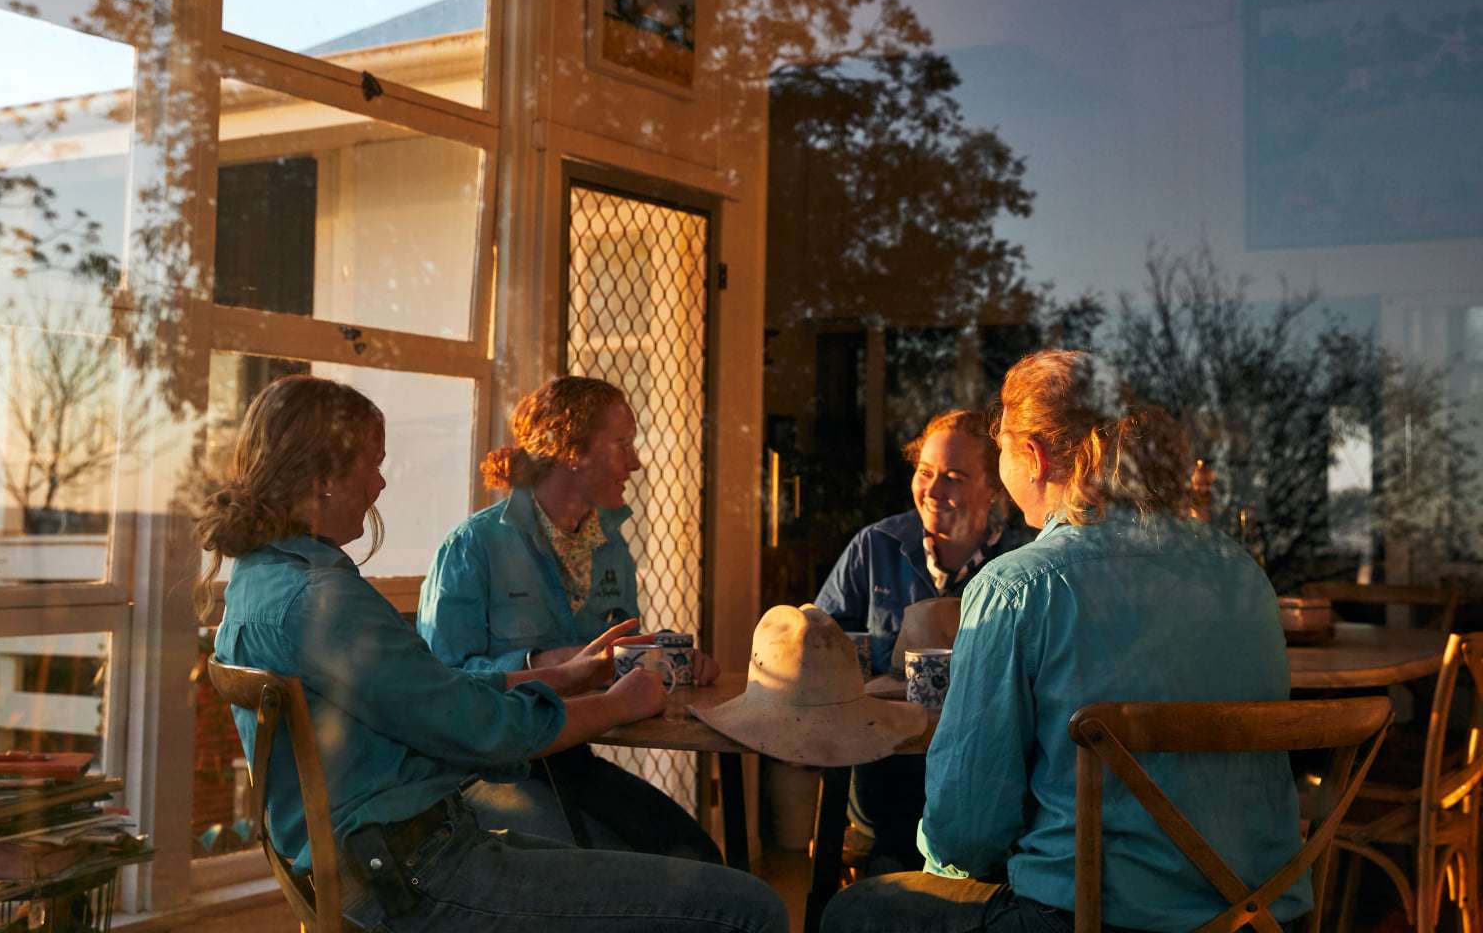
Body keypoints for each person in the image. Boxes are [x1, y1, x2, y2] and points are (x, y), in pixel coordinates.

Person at [199, 375, 786, 933]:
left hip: (380, 865)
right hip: (415, 876)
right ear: (324, 473)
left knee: (683, 858)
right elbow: (477, 728)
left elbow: (435, 693)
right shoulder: (321, 599)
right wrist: (617, 704)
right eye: (372, 466)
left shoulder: (258, 581)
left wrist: (565, 674)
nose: (379, 486)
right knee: (746, 906)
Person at [823, 350, 1311, 933]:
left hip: (1083, 920)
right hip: (1260, 917)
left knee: (855, 911)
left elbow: (966, 832)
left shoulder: (1018, 587)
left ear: (1033, 456)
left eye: (1000, 446)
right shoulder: (1241, 575)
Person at [417, 375, 724, 862]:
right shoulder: (472, 546)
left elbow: (616, 655)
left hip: (569, 756)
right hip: (484, 772)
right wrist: (545, 662)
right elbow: (439, 687)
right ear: (571, 449)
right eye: (622, 444)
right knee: (630, 876)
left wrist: (670, 656)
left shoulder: (610, 544)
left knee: (695, 854)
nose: (637, 462)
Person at [813, 408, 1032, 874]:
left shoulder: (1021, 562)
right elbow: (816, 647)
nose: (932, 491)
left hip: (986, 786)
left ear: (994, 489)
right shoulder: (875, 547)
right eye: (925, 472)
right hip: (884, 782)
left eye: (953, 477)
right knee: (888, 875)